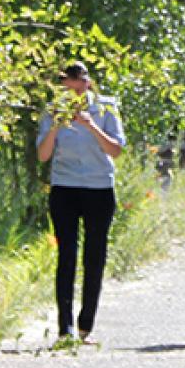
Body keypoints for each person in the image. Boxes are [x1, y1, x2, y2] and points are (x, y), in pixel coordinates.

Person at [35, 62, 127, 341]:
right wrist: (56, 125)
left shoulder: (106, 108)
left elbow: (116, 149)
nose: (72, 96)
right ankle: (65, 326)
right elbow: (42, 155)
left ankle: (87, 319)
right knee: (67, 254)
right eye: (67, 91)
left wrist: (90, 126)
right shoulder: (52, 112)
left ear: (87, 84)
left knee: (94, 254)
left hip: (98, 187)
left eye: (77, 89)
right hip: (65, 187)